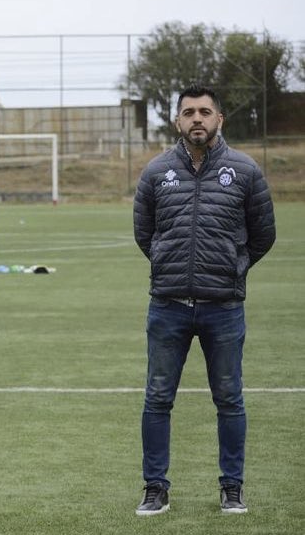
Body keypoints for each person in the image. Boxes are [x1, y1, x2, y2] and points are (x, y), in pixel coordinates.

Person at [133, 83, 275, 516]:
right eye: (189, 112)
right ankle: (155, 487)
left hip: (224, 308)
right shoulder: (156, 172)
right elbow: (145, 233)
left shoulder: (246, 171)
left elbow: (263, 235)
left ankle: (232, 488)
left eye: (205, 111)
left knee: (229, 398)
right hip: (168, 306)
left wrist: (232, 268)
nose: (197, 118)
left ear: (219, 119)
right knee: (158, 398)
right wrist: (166, 260)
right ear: (177, 120)